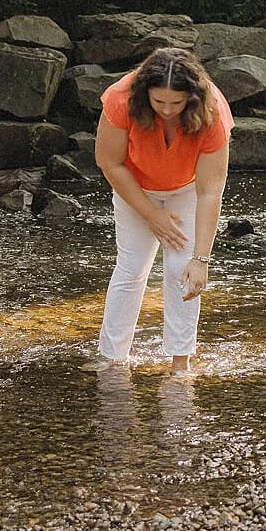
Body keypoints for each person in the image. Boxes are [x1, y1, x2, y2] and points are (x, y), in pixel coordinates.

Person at [94, 46, 232, 374]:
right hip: (134, 186)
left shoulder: (213, 110)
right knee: (131, 267)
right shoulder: (120, 98)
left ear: (192, 97)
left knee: (181, 269)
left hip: (187, 189)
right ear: (145, 94)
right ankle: (113, 359)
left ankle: (180, 363)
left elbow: (211, 190)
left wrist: (202, 260)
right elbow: (109, 162)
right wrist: (151, 214)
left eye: (176, 103)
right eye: (159, 102)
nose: (167, 111)